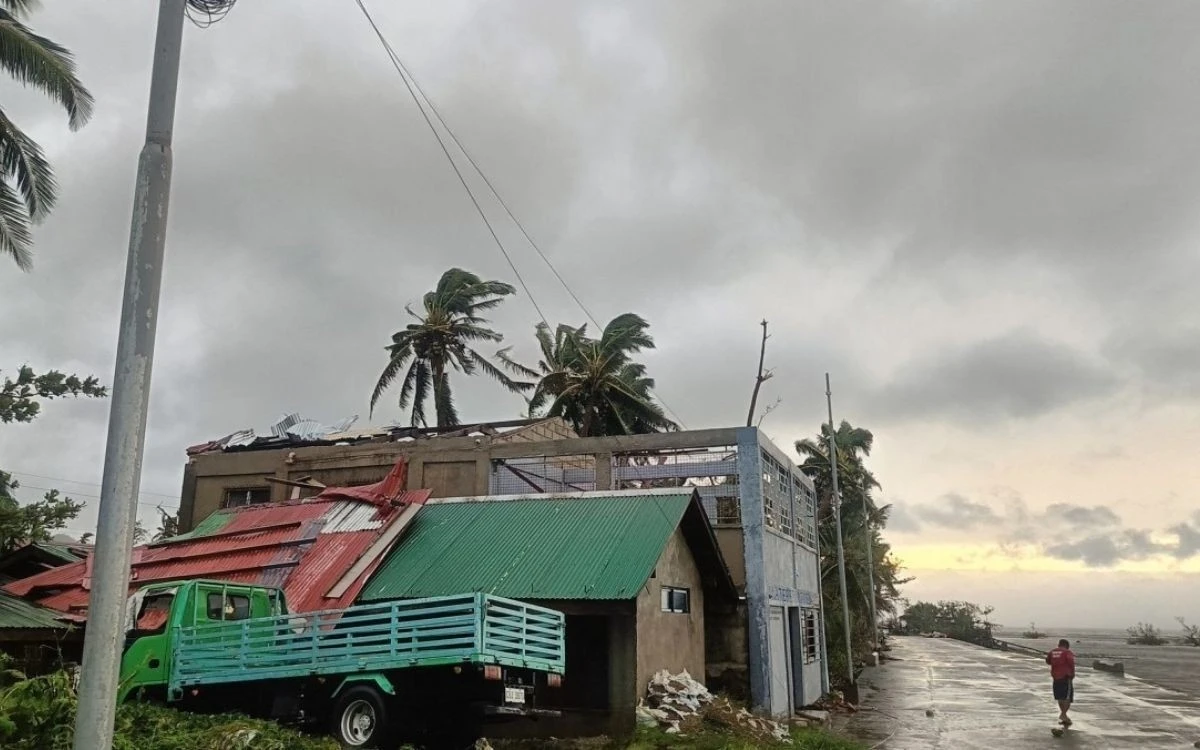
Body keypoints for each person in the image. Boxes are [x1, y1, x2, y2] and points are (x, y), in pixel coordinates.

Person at [1046, 638, 1075, 726]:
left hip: (1055, 677)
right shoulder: (1067, 652)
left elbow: (1048, 661)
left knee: (1060, 697)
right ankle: (1063, 714)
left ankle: (1064, 716)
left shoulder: (1052, 652)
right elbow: (1071, 663)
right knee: (1067, 697)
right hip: (1066, 677)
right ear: (1067, 645)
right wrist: (1073, 673)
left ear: (1059, 644)